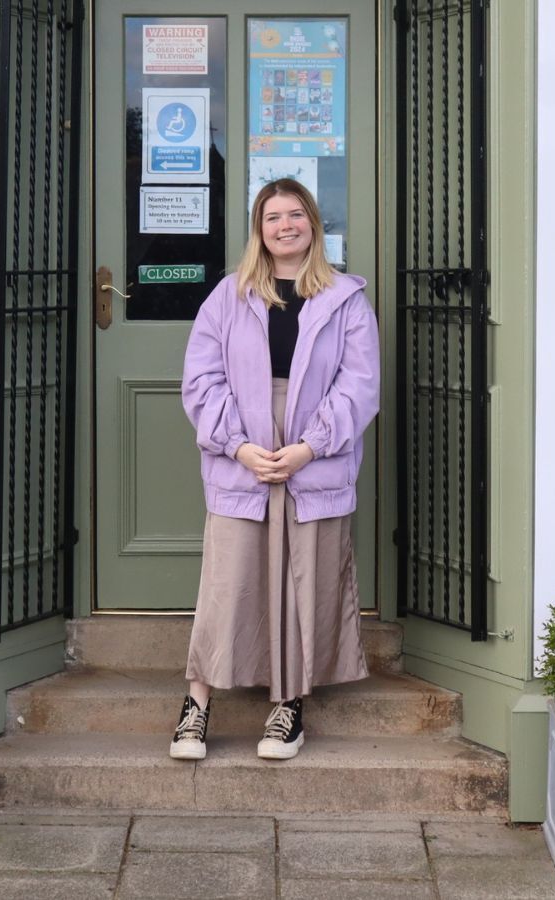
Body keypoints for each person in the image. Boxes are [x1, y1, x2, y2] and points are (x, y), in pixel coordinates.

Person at [174, 178, 380, 762]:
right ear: (258, 230)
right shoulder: (228, 296)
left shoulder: (346, 300)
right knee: (229, 581)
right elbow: (201, 380)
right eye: (272, 217)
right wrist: (238, 446)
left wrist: (309, 448)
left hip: (314, 460)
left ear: (312, 223)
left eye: (295, 214)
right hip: (244, 457)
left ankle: (287, 706)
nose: (285, 225)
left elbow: (359, 387)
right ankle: (197, 704)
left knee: (306, 582)